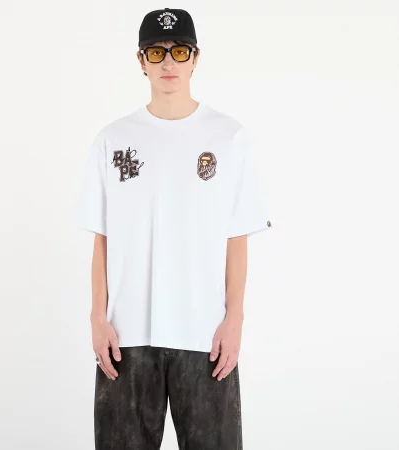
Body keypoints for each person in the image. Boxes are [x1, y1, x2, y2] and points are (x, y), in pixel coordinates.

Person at [74, 7, 272, 450]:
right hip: (127, 337)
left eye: (179, 51)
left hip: (205, 335)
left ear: (195, 58)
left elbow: (236, 237)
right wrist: (97, 318)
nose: (168, 62)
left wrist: (235, 318)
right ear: (140, 61)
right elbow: (102, 238)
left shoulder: (229, 137)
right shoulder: (113, 139)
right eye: (156, 52)